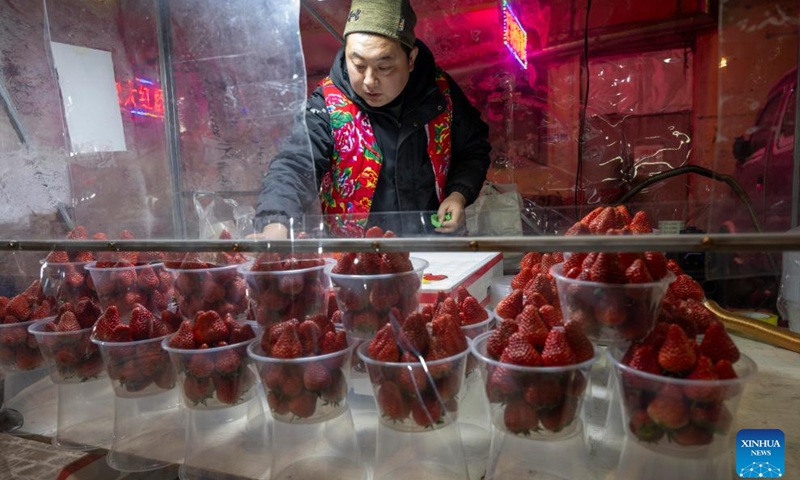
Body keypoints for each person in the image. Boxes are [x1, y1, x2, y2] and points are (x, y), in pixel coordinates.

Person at [251, 0, 491, 239]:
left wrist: (458, 194)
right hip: (353, 259)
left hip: (434, 251)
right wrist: (275, 223)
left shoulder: (441, 94)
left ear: (411, 59)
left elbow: (473, 149)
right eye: (358, 64)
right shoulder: (328, 102)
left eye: (384, 67)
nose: (368, 81)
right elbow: (295, 164)